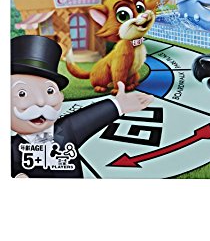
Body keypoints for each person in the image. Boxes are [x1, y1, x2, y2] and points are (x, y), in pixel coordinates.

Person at [11, 35, 153, 178]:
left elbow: (92, 116)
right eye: (22, 93)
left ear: (60, 97)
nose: (41, 102)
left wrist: (119, 104)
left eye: (50, 91)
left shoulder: (66, 129)